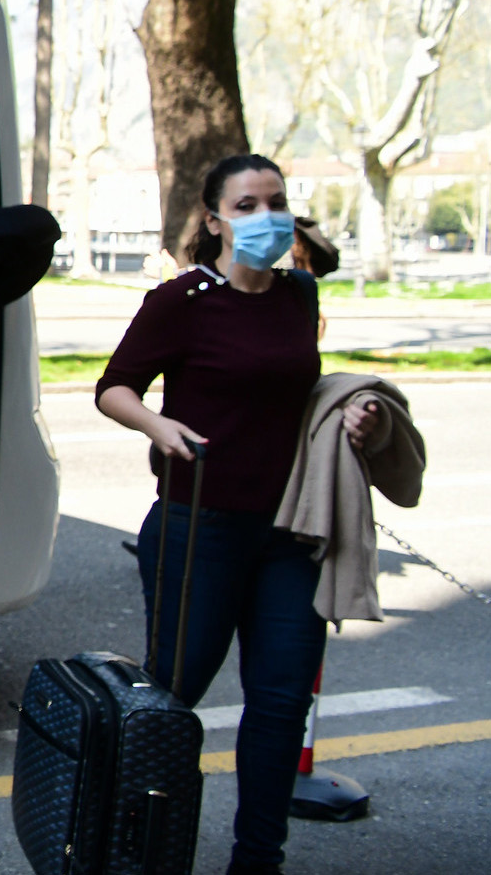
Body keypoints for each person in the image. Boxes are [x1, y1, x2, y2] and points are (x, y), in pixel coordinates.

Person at [94, 154, 376, 875]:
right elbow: (114, 388)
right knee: (171, 699)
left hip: (289, 533)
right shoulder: (181, 300)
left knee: (280, 704)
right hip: (199, 530)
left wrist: (350, 422)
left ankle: (258, 860)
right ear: (214, 220)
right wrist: (158, 427)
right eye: (246, 205)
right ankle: (136, 845)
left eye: (275, 201)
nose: (266, 216)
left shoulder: (298, 294)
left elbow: (290, 394)